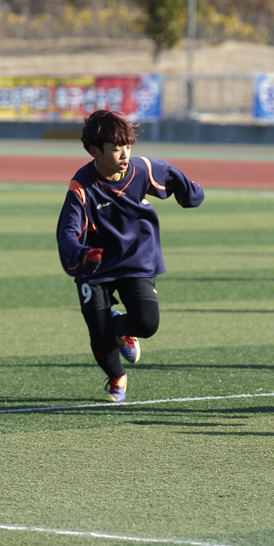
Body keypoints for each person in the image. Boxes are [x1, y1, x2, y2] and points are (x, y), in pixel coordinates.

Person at [56, 109, 205, 402]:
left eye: (128, 146)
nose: (125, 154)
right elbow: (67, 233)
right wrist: (82, 255)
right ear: (95, 152)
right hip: (95, 264)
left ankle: (121, 328)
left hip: (137, 258)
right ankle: (116, 376)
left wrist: (190, 194)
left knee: (147, 325)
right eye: (116, 149)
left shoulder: (142, 169)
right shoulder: (82, 186)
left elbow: (171, 174)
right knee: (98, 336)